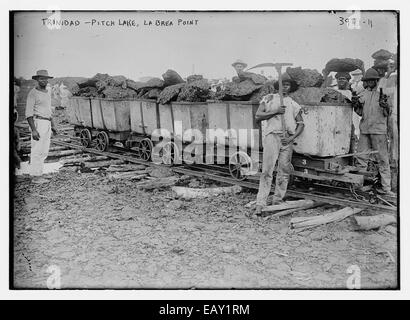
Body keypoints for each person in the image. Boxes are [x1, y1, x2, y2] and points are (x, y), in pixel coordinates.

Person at [253, 73, 304, 215]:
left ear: (290, 87)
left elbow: (301, 124)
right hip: (272, 137)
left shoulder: (293, 104)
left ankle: (277, 200)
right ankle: (260, 202)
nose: (285, 87)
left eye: (287, 85)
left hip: (286, 139)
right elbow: (258, 116)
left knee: (284, 172)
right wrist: (276, 111)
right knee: (267, 171)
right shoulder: (268, 99)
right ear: (278, 86)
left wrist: (291, 137)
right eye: (282, 84)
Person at [353, 68, 394, 196]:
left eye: (372, 80)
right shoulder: (364, 94)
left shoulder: (384, 94)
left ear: (376, 81)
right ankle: (357, 185)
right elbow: (360, 112)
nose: (369, 83)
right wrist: (356, 105)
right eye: (367, 80)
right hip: (365, 130)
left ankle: (386, 188)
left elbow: (389, 113)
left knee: (382, 159)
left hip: (379, 131)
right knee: (361, 157)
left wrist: (385, 106)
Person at [25, 70, 58, 183]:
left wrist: (53, 125)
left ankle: (39, 172)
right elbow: (28, 114)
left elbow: (49, 111)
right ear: (37, 79)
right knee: (37, 149)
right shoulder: (33, 93)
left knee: (44, 150)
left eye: (46, 78)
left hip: (47, 122)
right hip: (38, 123)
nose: (44, 81)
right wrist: (34, 130)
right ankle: (35, 176)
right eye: (41, 79)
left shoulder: (47, 92)